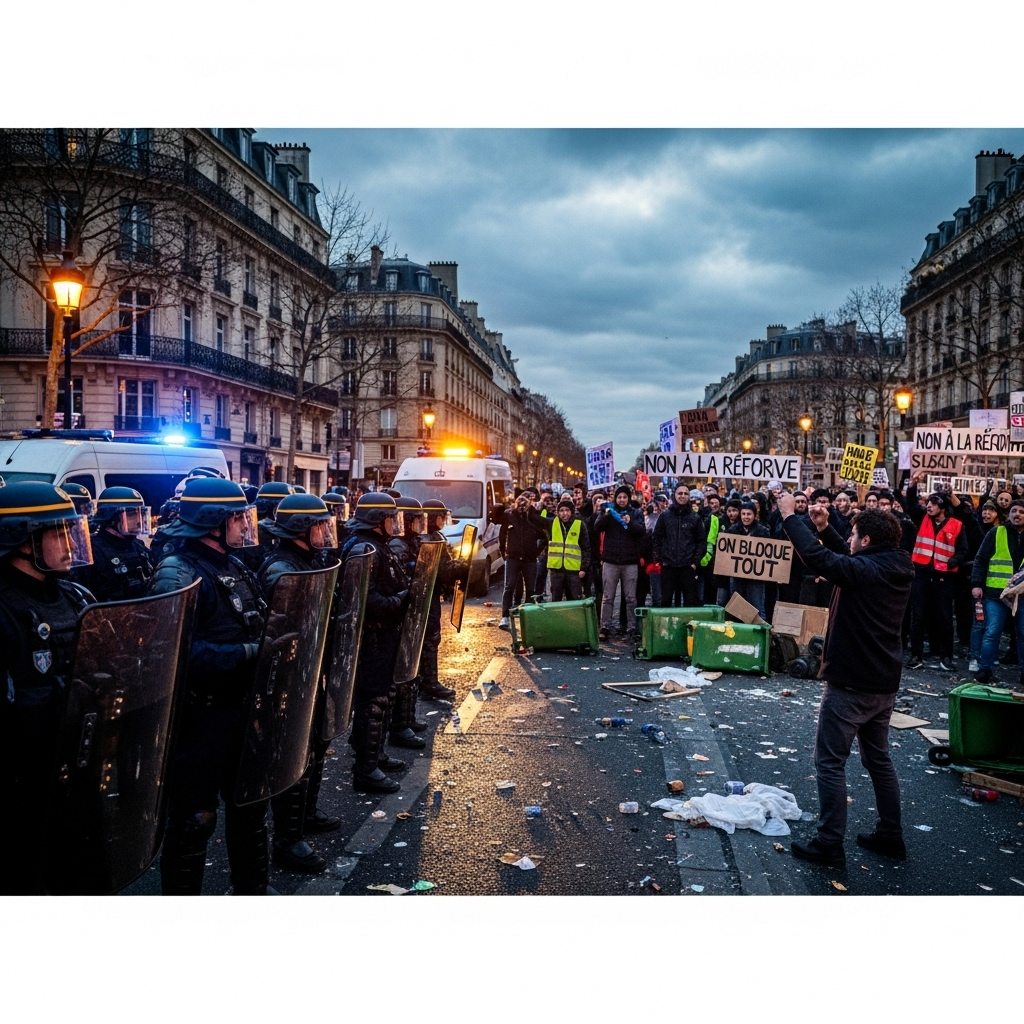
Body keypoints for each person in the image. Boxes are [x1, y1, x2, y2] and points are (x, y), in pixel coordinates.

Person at [149, 477, 271, 895]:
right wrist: (246, 654)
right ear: (212, 521)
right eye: (238, 517)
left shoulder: (234, 564)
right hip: (201, 718)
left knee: (250, 806)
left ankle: (251, 890)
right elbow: (172, 652)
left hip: (244, 709)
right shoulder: (177, 571)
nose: (245, 525)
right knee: (193, 821)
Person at [779, 494, 913, 866]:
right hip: (882, 683)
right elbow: (849, 559)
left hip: (852, 683)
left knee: (830, 762)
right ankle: (890, 835)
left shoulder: (867, 571)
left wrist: (792, 518)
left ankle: (829, 842)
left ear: (866, 540)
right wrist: (824, 527)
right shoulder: (893, 564)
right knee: (879, 760)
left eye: (853, 534)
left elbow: (826, 561)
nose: (849, 539)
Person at [0, 482, 95, 893]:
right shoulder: (4, 609)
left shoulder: (74, 596)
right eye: (57, 532)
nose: (70, 542)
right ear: (21, 538)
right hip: (23, 788)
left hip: (74, 772)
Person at [257, 494, 340, 875]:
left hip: (311, 669)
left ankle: (305, 818)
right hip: (289, 676)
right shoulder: (281, 569)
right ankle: (288, 838)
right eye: (319, 525)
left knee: (313, 745)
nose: (326, 532)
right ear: (299, 530)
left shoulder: (309, 560)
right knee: (292, 752)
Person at [339, 493, 410, 794]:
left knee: (383, 697)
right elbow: (365, 600)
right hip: (372, 637)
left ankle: (375, 756)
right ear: (377, 520)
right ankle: (365, 770)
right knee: (372, 703)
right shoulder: (364, 549)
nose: (394, 523)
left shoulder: (377, 547)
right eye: (389, 518)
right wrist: (398, 601)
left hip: (384, 636)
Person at [905, 477, 967, 671]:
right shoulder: (921, 518)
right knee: (918, 617)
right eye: (929, 502)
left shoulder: (957, 525)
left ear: (943, 507)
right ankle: (916, 655)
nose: (929, 506)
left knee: (945, 618)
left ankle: (946, 657)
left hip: (944, 577)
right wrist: (912, 486)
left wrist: (954, 561)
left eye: (934, 503)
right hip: (922, 575)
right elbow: (911, 504)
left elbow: (963, 550)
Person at [386, 495, 430, 747]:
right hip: (398, 616)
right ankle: (399, 726)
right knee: (400, 673)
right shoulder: (398, 546)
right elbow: (401, 580)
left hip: (408, 613)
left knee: (409, 671)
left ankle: (406, 720)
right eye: (416, 520)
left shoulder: (411, 542)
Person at [971, 500, 1024, 685]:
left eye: (1021, 512)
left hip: (1022, 595)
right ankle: (985, 670)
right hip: (995, 593)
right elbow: (981, 559)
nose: (1017, 514)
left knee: (1023, 633)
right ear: (1008, 514)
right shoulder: (996, 532)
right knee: (992, 631)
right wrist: (976, 584)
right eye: (1014, 511)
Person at [70, 486, 154, 602]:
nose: (139, 520)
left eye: (140, 514)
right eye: (131, 515)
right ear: (111, 518)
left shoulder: (138, 546)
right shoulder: (91, 552)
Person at [418, 499, 464, 702]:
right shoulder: (426, 539)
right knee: (429, 638)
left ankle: (426, 680)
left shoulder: (435, 536)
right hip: (426, 596)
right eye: (440, 516)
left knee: (430, 638)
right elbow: (440, 570)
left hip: (432, 594)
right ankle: (428, 682)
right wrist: (460, 566)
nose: (443, 520)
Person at [595, 485, 645, 640]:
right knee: (608, 597)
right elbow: (597, 527)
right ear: (615, 498)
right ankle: (605, 627)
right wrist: (606, 516)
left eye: (625, 497)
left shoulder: (635, 513)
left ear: (629, 498)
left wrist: (630, 523)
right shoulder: (608, 511)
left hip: (630, 561)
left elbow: (641, 531)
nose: (622, 500)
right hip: (610, 560)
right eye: (619, 497)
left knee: (631, 598)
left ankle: (631, 627)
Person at [498, 491, 550, 629]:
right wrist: (504, 552)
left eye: (524, 505)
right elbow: (502, 534)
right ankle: (504, 616)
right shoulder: (510, 517)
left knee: (530, 589)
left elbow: (544, 537)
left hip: (529, 560)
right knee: (509, 586)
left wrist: (536, 553)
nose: (521, 507)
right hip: (513, 558)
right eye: (519, 504)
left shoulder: (532, 518)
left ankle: (528, 617)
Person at [652, 484, 706, 608]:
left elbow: (701, 541)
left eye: (685, 494)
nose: (682, 496)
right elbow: (656, 537)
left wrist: (695, 562)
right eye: (680, 493)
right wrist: (660, 558)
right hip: (669, 565)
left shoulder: (694, 518)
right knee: (665, 601)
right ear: (675, 495)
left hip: (687, 566)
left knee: (690, 602)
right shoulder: (665, 516)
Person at [725, 500, 770, 618]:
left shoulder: (763, 531)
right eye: (743, 514)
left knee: (757, 605)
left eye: (749, 514)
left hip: (756, 576)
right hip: (737, 575)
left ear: (754, 515)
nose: (746, 517)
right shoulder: (732, 530)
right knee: (737, 605)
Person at [546, 497, 591, 601]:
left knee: (574, 600)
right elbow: (535, 520)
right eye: (561, 511)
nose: (564, 513)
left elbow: (586, 548)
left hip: (573, 571)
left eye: (567, 510)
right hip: (556, 570)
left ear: (572, 511)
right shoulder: (553, 524)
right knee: (556, 600)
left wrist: (583, 568)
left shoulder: (579, 525)